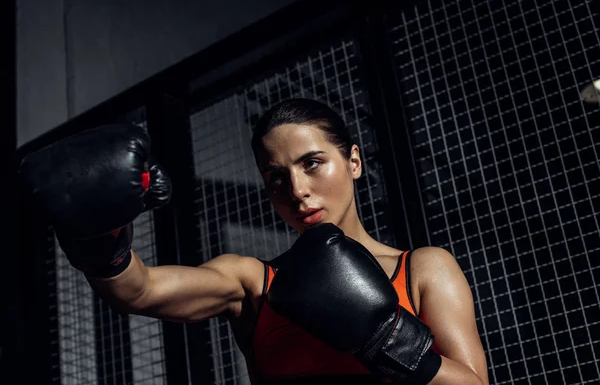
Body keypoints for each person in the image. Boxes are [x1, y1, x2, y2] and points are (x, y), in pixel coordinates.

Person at [20, 98, 489, 384]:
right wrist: (97, 234)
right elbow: (139, 290)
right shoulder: (254, 283)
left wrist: (386, 339)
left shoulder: (425, 268)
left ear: (354, 162)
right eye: (275, 177)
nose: (297, 190)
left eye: (312, 163)